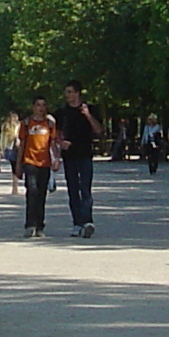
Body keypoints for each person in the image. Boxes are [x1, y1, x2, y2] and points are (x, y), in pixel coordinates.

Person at [56, 80, 102, 238]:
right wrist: (61, 143)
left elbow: (98, 130)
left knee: (86, 189)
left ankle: (87, 221)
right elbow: (56, 132)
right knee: (73, 190)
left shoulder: (90, 109)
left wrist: (88, 115)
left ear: (78, 93)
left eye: (70, 92)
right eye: (66, 92)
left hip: (85, 154)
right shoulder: (62, 112)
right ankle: (77, 223)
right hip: (69, 156)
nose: (67, 95)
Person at [16, 96, 59, 237]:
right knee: (32, 192)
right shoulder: (27, 123)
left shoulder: (50, 124)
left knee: (41, 195)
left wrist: (56, 158)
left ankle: (40, 225)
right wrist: (18, 165)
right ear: (33, 107)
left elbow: (52, 143)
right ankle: (30, 224)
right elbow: (21, 145)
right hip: (30, 161)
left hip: (44, 162)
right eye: (38, 105)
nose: (41, 108)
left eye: (43, 105)